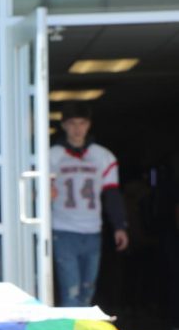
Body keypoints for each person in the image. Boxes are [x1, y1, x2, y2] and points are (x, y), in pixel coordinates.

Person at [50, 102, 129, 307]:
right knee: (70, 292)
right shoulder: (52, 156)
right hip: (63, 229)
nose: (77, 129)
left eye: (82, 123)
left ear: (89, 125)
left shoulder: (102, 156)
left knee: (87, 292)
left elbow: (111, 193)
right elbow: (39, 192)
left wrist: (119, 226)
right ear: (64, 125)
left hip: (92, 230)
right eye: (72, 124)